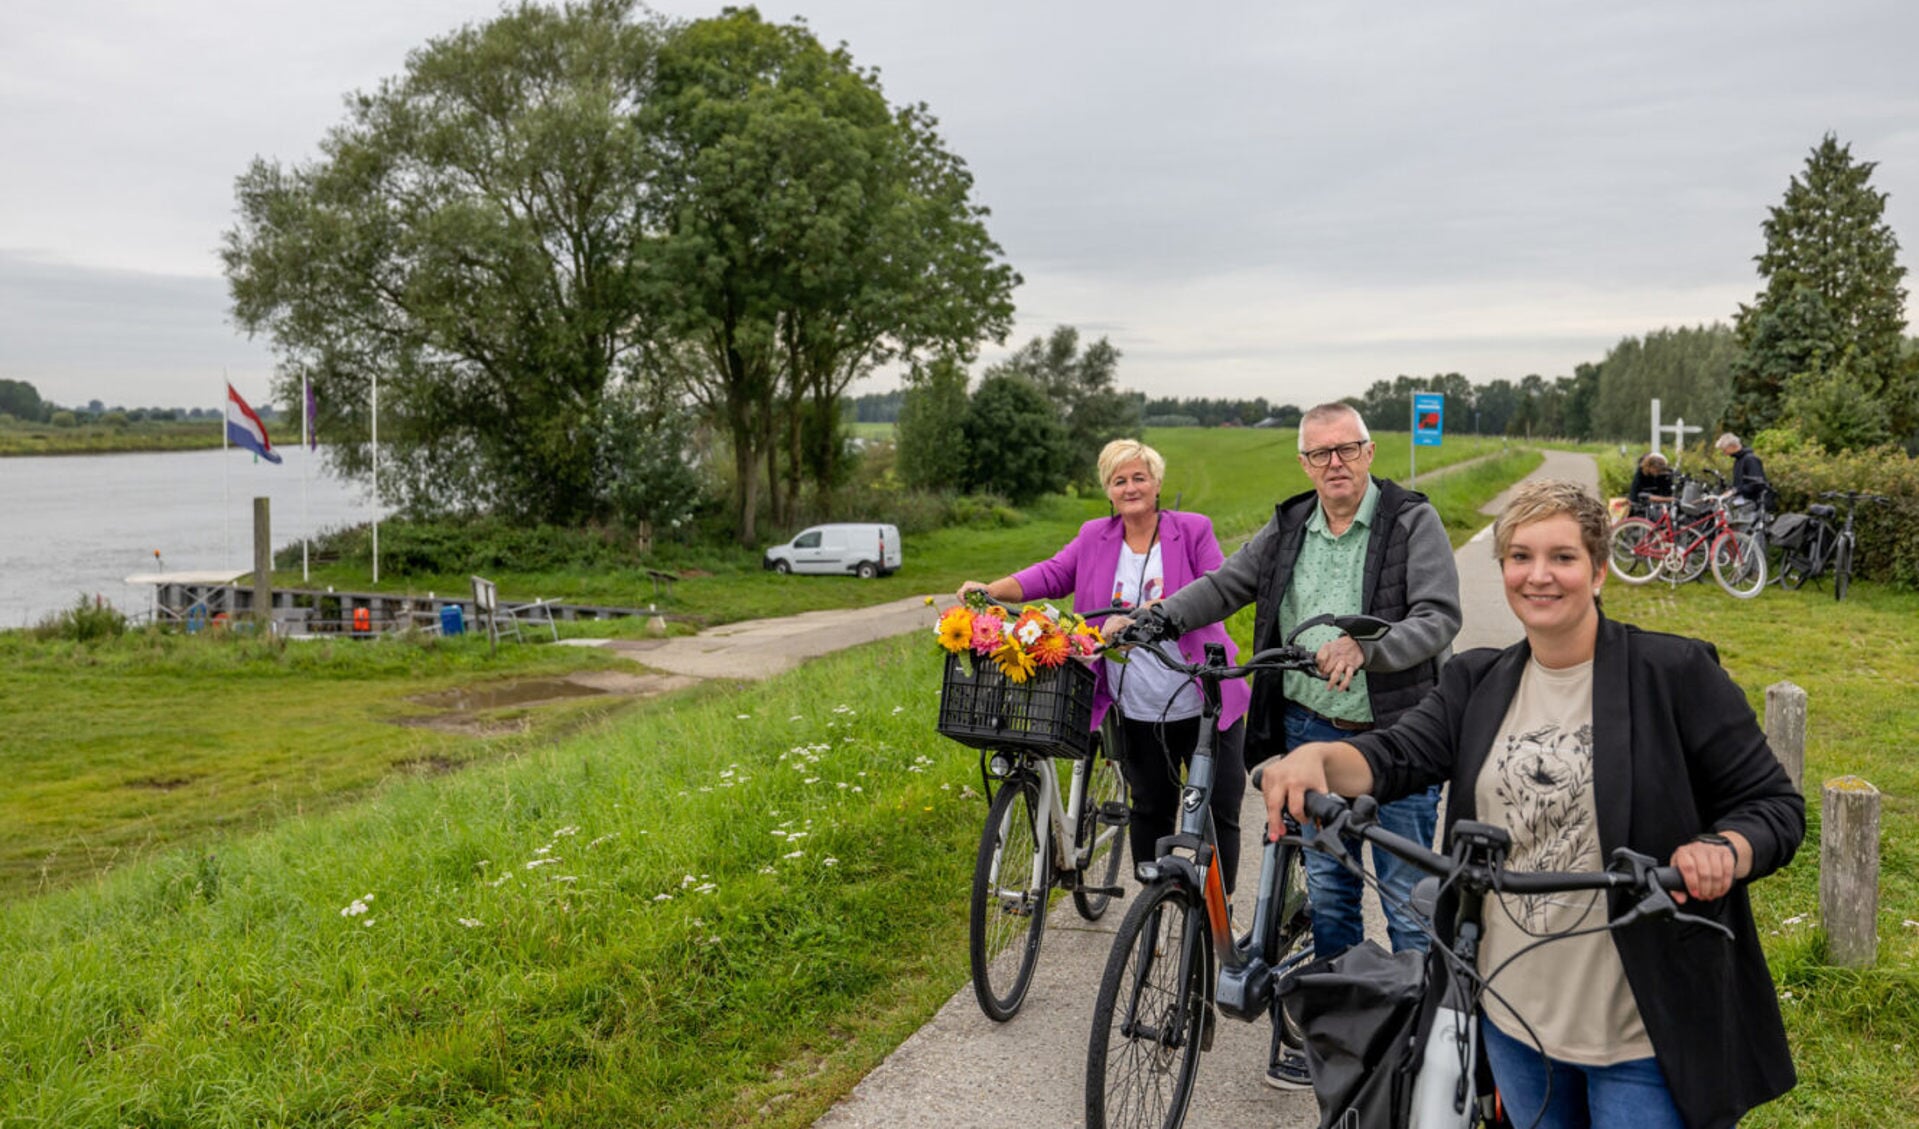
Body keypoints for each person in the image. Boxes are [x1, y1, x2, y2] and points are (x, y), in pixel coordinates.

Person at [1258, 479, 1803, 1129]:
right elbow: (1394, 756)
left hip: (1639, 1030)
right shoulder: (1475, 680)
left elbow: (1772, 805)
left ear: (1598, 569)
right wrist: (1315, 758)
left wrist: (1724, 848)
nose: (1537, 575)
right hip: (1513, 1020)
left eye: (1561, 557)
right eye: (1519, 556)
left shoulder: (1675, 674)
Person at [1141, 402, 1462, 1090]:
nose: (1334, 463)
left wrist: (1368, 645)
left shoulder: (1410, 521)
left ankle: (1418, 1055)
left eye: (1345, 448)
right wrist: (1162, 615)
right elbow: (1228, 583)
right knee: (1329, 892)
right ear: (1304, 463)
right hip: (1308, 734)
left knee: (1407, 897)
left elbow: (1438, 616)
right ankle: (1341, 1037)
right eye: (1320, 453)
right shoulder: (1289, 525)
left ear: (1369, 452)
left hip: (1395, 739)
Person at [957, 438, 1252, 897]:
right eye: (1120, 480)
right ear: (1108, 490)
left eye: (1139, 477)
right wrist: (990, 590)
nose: (1130, 487)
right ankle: (1151, 912)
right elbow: (1052, 574)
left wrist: (1147, 614)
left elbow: (1218, 591)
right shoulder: (1095, 535)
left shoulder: (1192, 530)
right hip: (1136, 704)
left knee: (1218, 808)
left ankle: (1219, 915)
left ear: (1156, 484)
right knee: (1150, 806)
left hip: (1202, 702)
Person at [1716, 432, 1767, 503]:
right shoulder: (1738, 460)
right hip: (1743, 502)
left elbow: (1757, 484)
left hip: (1754, 504)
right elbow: (1739, 484)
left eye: (1724, 450)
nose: (1724, 453)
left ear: (1732, 446)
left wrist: (1735, 491)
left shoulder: (1750, 459)